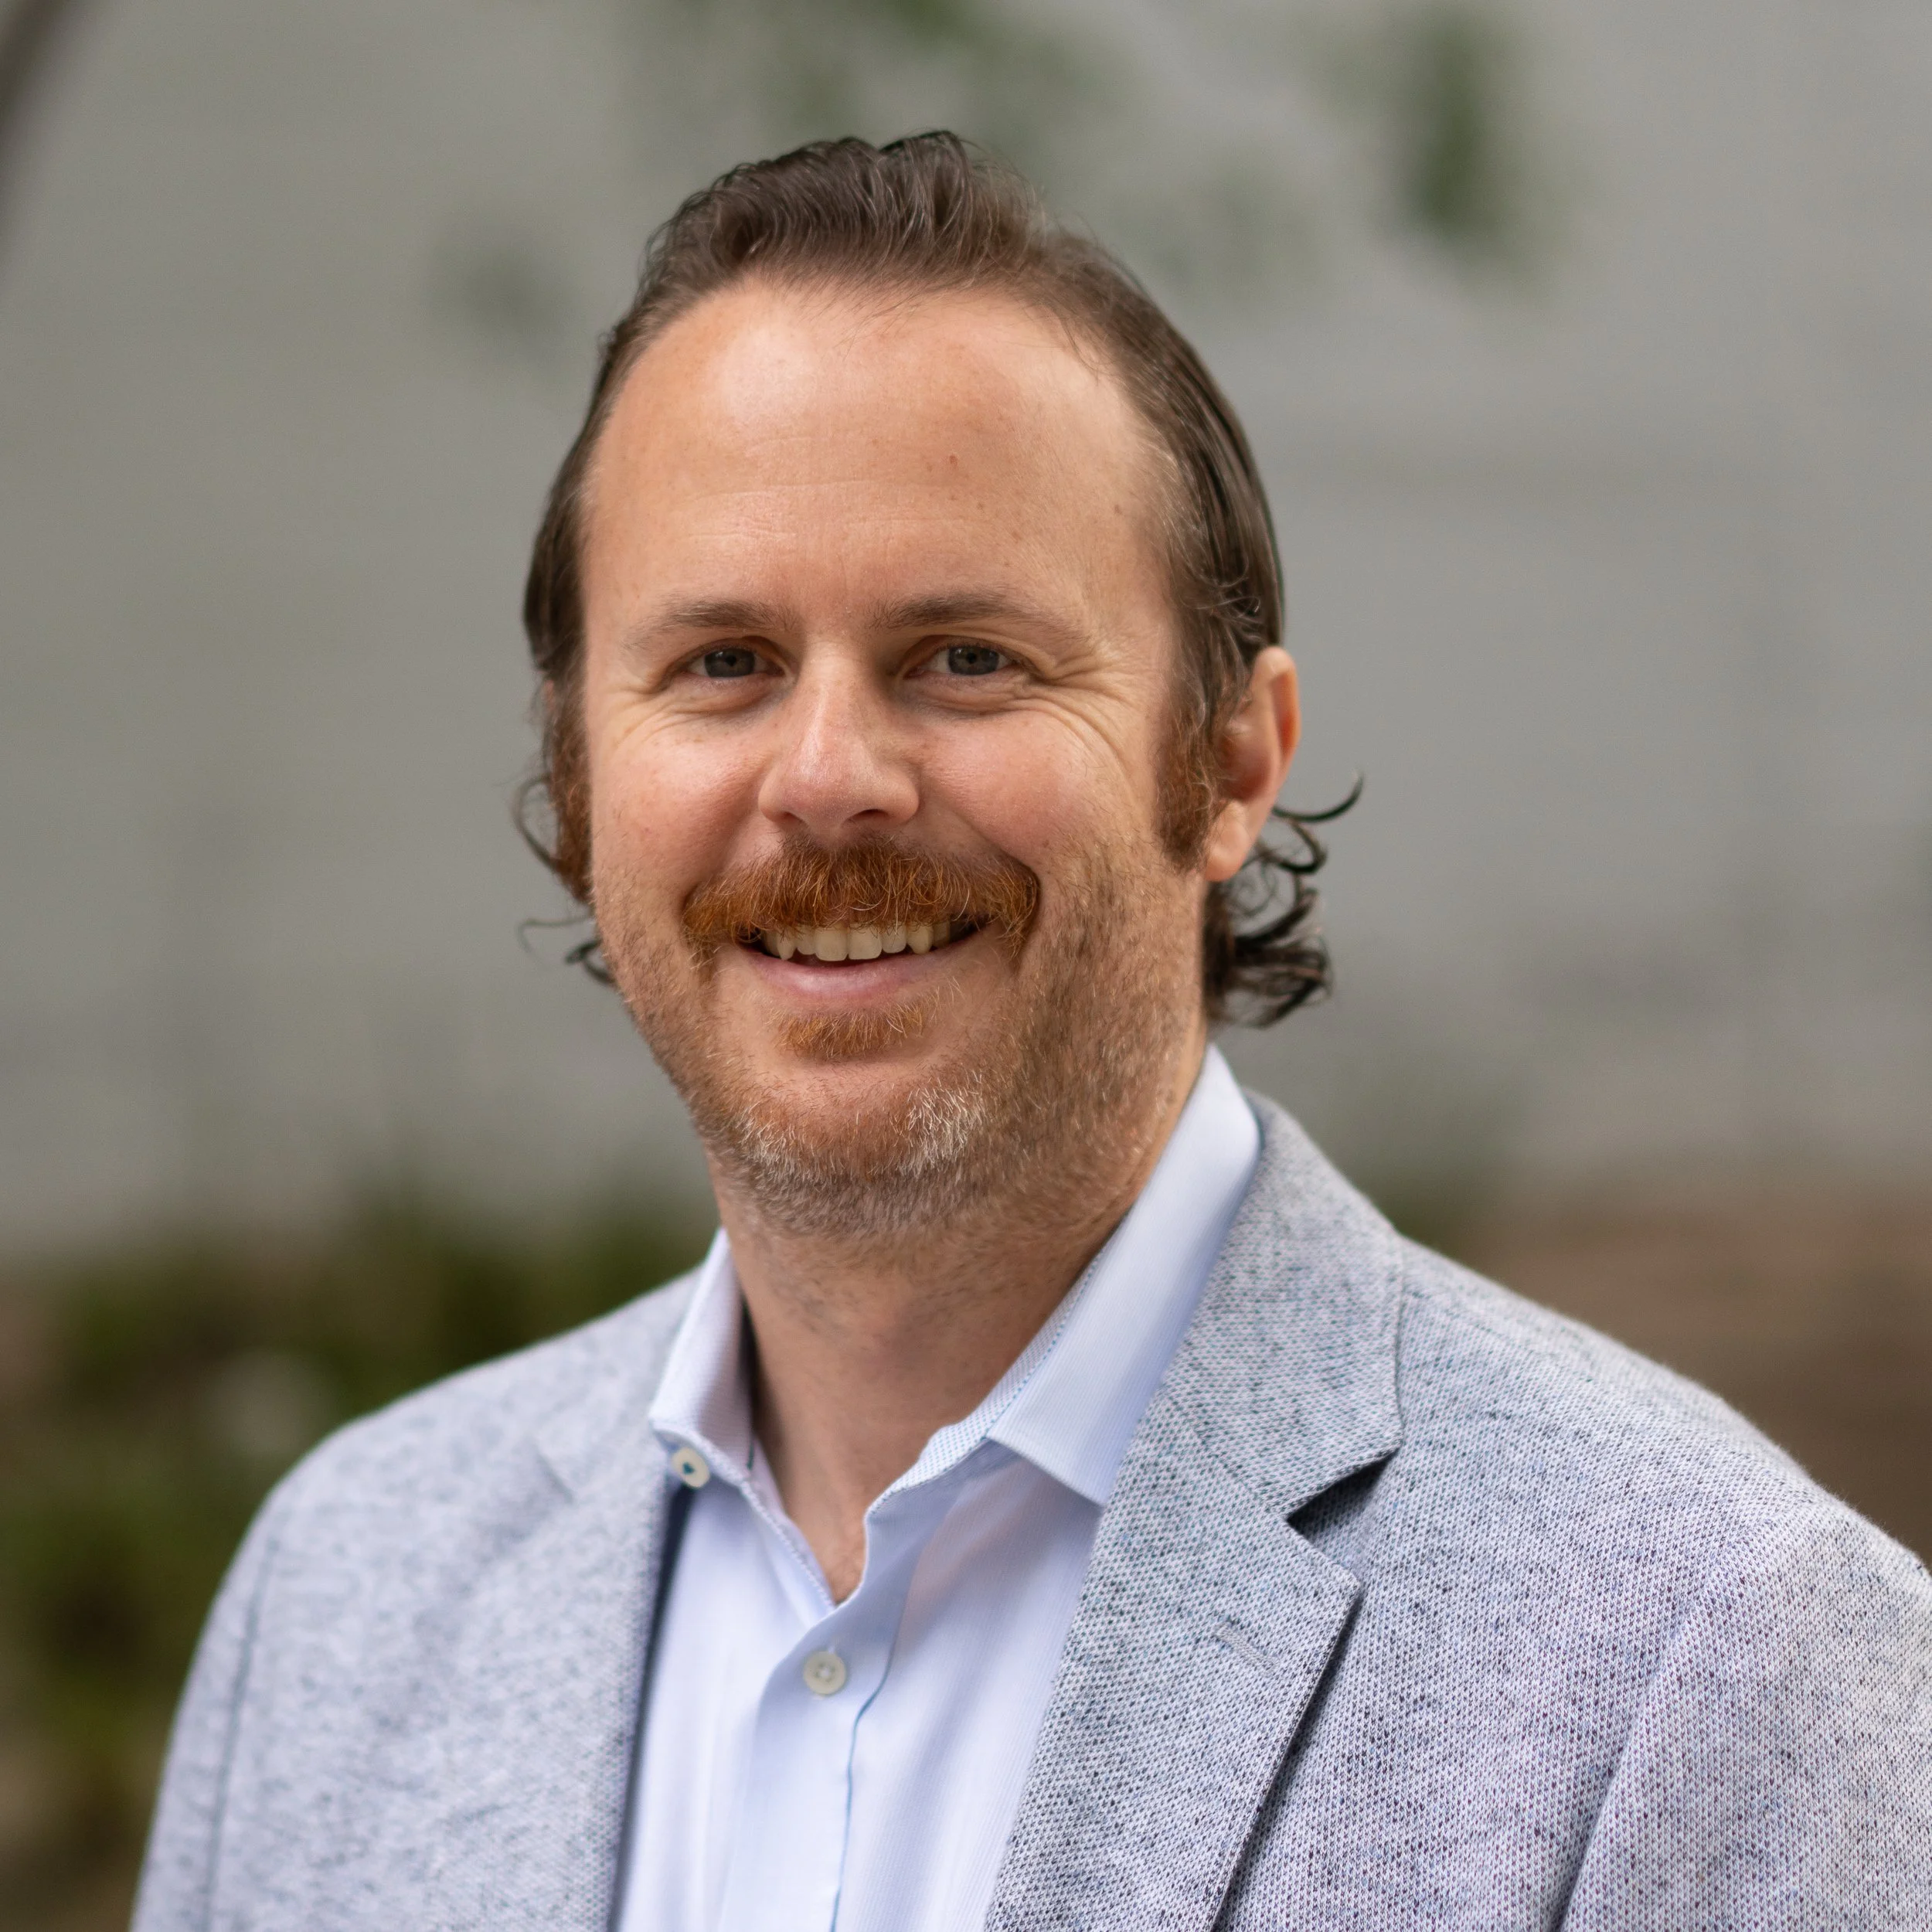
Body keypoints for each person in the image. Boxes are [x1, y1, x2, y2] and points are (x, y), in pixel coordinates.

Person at [134, 134, 1930, 1932]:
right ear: (577, 769)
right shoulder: (342, 1592)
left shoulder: (1714, 1646)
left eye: (967, 657)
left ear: (1228, 760)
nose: (828, 777)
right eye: (723, 662)